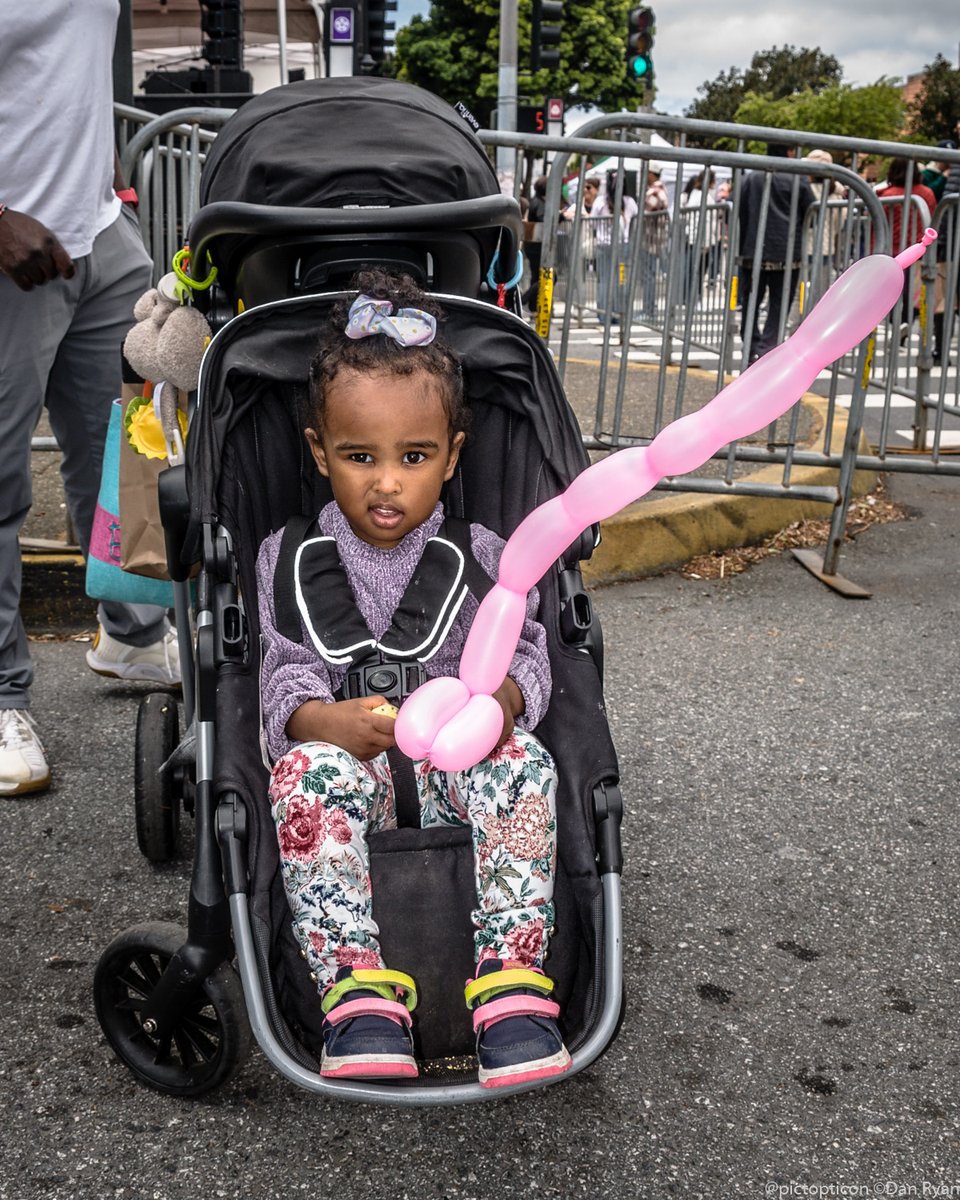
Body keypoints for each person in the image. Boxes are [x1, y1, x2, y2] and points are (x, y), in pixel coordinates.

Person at [256, 269, 570, 1088]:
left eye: (414, 456)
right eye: (360, 456)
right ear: (320, 452)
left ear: (452, 456)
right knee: (301, 777)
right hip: (348, 762)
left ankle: (511, 984)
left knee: (526, 765)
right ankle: (356, 993)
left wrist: (502, 706)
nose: (387, 481)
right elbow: (282, 678)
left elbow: (530, 653)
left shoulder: (486, 557)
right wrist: (323, 724)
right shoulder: (287, 560)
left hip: (451, 769)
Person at [0, 1, 180, 797]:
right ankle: (2, 695)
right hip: (12, 243)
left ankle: (132, 635)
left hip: (98, 230)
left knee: (130, 445)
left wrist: (97, 181)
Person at [737, 141, 815, 363]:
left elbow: (739, 210)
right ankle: (767, 348)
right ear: (789, 151)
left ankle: (751, 344)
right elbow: (810, 212)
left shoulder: (751, 177)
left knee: (751, 301)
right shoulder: (796, 177)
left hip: (753, 250)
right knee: (779, 305)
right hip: (787, 252)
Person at [591, 171, 638, 326]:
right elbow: (636, 223)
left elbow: (592, 223)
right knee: (620, 281)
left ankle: (604, 315)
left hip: (604, 245)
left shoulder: (600, 201)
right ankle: (619, 314)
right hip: (622, 246)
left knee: (604, 281)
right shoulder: (630, 201)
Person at [639, 163, 669, 318]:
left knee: (649, 276)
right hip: (653, 239)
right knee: (649, 275)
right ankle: (649, 308)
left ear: (651, 173)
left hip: (652, 241)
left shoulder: (655, 192)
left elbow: (645, 211)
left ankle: (649, 309)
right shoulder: (657, 190)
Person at [522, 175, 547, 314]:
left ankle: (531, 305)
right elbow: (542, 218)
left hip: (533, 246)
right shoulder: (539, 203)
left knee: (536, 276)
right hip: (537, 247)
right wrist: (560, 216)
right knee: (548, 276)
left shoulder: (535, 201)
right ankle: (525, 298)